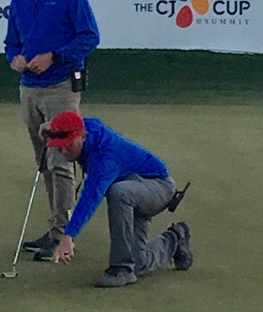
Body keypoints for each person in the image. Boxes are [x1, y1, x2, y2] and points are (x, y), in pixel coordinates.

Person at [4, 0, 100, 261]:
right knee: (44, 161)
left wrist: (55, 56)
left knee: (60, 161)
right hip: (29, 87)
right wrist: (14, 59)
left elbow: (89, 37)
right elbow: (11, 43)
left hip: (61, 86)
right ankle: (54, 227)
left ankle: (62, 234)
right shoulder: (18, 2)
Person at [43, 111, 193, 287]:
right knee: (138, 262)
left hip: (158, 188)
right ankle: (176, 237)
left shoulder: (104, 158)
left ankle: (120, 268)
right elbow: (82, 121)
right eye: (59, 146)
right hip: (134, 190)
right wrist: (52, 127)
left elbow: (90, 198)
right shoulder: (87, 129)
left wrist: (69, 235)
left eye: (67, 144)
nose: (63, 150)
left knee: (118, 192)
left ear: (82, 137)